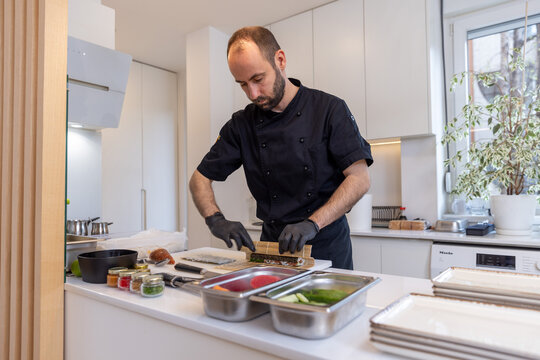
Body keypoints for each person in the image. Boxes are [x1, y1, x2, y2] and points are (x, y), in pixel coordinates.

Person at [189, 26, 373, 269]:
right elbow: (199, 179)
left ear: (280, 60)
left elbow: (359, 179)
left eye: (258, 79)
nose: (252, 93)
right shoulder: (241, 125)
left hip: (325, 244)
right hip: (271, 247)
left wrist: (313, 223)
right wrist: (215, 219)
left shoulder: (329, 110)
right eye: (243, 84)